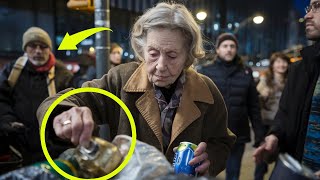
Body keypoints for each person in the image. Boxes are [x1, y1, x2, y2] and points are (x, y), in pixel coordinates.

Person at [37, 2, 236, 177]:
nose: (160, 65)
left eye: (172, 55)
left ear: (188, 55)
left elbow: (222, 141)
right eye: (153, 53)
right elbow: (61, 101)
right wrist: (65, 114)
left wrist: (210, 158)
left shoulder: (206, 90)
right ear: (142, 50)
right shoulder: (121, 79)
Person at [253, 0, 320, 177]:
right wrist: (274, 136)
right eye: (309, 7)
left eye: (318, 6)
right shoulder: (300, 69)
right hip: (291, 170)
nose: (307, 15)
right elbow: (284, 114)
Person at [0, 27, 73, 167]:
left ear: (49, 49)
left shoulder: (63, 74)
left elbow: (71, 103)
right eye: (32, 46)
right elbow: (2, 98)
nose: (38, 51)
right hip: (20, 143)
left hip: (53, 145)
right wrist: (8, 120)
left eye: (43, 46)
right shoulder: (12, 70)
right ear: (25, 49)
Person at [197, 33, 265, 180]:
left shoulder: (246, 72)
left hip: (237, 134)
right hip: (211, 134)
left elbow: (253, 106)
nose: (229, 49)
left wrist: (259, 135)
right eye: (225, 46)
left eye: (232, 46)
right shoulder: (205, 71)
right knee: (206, 173)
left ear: (236, 49)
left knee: (233, 174)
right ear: (218, 49)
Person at [254, 52, 290, 180]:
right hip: (267, 124)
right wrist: (262, 96)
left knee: (283, 159)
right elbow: (255, 101)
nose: (282, 65)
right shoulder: (265, 80)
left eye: (284, 61)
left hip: (285, 125)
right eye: (278, 62)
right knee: (263, 160)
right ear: (273, 65)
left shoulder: (291, 80)